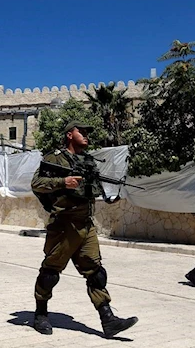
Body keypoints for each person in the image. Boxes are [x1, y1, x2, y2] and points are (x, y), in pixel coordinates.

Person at [30, 120, 138, 338]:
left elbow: (91, 189)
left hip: (86, 224)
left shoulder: (88, 161)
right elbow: (36, 183)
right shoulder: (55, 158)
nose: (87, 135)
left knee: (96, 273)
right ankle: (40, 313)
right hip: (63, 225)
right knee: (51, 272)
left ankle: (108, 320)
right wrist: (63, 182)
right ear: (70, 134)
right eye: (83, 131)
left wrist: (107, 197)